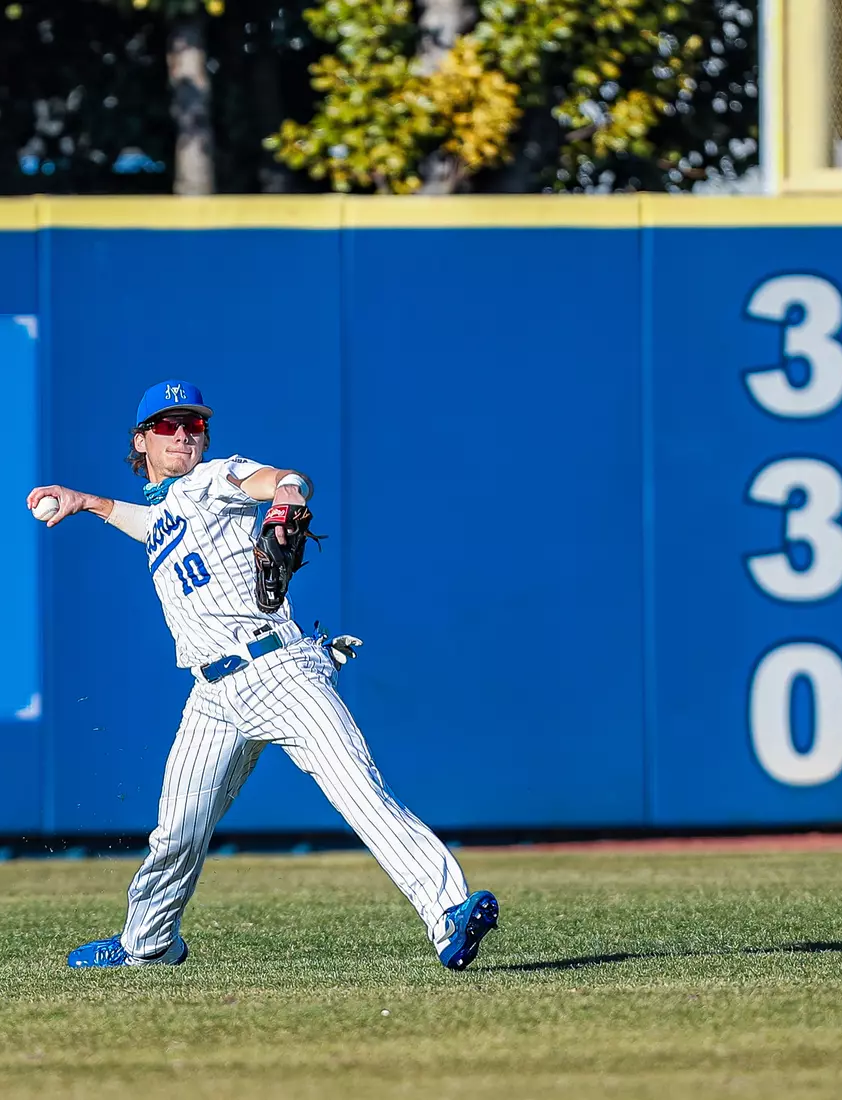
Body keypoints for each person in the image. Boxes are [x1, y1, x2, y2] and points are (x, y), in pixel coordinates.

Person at [25, 379, 498, 970]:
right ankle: (146, 945)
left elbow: (279, 479)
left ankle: (450, 910)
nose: (183, 435)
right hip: (212, 696)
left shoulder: (214, 476)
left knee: (357, 789)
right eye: (168, 426)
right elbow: (149, 523)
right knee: (176, 831)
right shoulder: (169, 509)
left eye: (193, 425)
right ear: (142, 440)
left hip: (276, 671)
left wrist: (290, 497)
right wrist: (86, 502)